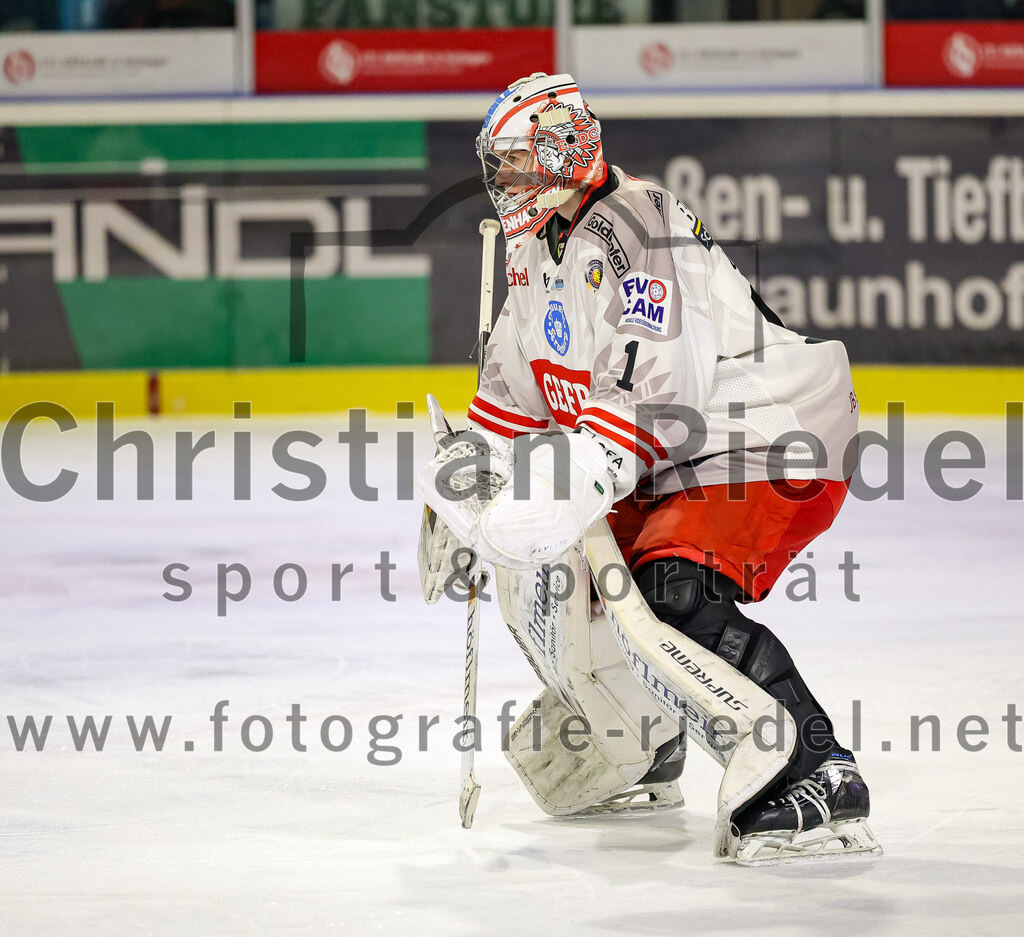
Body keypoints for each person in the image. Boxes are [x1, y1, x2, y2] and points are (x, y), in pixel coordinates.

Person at [417, 72, 879, 863]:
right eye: (501, 166)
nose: (504, 183)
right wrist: (467, 493)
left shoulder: (640, 227)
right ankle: (641, 739)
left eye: (519, 163)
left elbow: (663, 400)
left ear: (566, 150)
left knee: (666, 590)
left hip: (763, 431)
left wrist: (568, 494)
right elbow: (510, 403)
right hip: (672, 452)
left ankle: (814, 770)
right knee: (565, 576)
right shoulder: (534, 247)